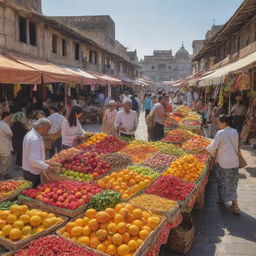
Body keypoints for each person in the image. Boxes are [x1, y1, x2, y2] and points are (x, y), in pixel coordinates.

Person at [199, 114, 240, 213]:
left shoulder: (221, 133)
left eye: (218, 122)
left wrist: (201, 150)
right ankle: (222, 199)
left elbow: (212, 147)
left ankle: (235, 206)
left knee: (225, 182)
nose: (217, 124)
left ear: (224, 122)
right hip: (234, 161)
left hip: (224, 162)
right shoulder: (234, 131)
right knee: (231, 182)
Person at [22, 118, 56, 187]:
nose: (48, 132)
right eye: (47, 129)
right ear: (41, 128)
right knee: (32, 191)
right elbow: (33, 160)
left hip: (28, 169)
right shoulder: (36, 139)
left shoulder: (30, 134)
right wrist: (48, 167)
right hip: (32, 172)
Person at [0, 112, 13, 179]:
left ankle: (2, 172)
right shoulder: (4, 125)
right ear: (7, 117)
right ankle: (5, 173)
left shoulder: (1, 123)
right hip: (4, 145)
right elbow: (10, 135)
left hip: (2, 144)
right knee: (6, 160)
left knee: (2, 160)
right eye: (10, 117)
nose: (11, 118)